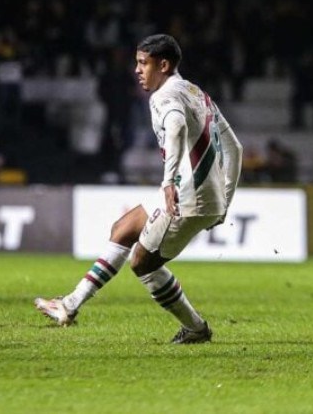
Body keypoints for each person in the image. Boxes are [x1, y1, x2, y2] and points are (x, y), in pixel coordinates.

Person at [35, 34, 243, 344]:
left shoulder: (164, 96)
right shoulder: (197, 93)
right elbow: (235, 148)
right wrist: (224, 200)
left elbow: (175, 128)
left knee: (143, 263)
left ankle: (197, 328)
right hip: (201, 192)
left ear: (163, 64)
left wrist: (169, 181)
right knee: (124, 227)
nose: (137, 69)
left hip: (187, 195)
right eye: (136, 62)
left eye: (143, 63)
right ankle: (69, 305)